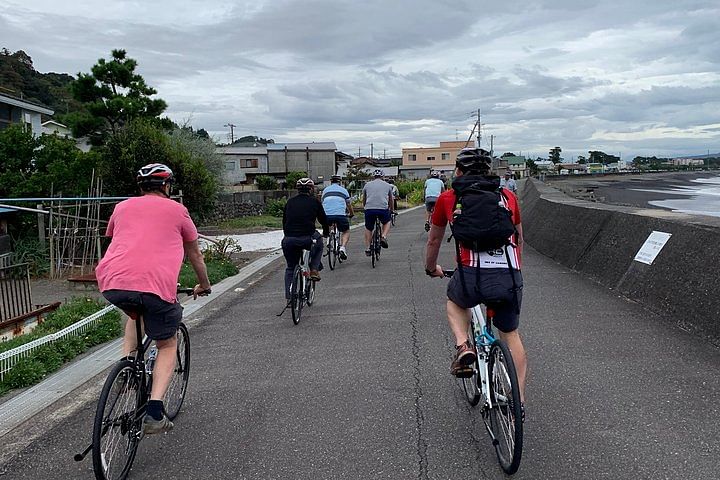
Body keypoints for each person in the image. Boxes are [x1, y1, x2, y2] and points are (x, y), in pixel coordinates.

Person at [96, 163, 212, 435]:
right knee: (167, 344)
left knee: (134, 314)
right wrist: (204, 285)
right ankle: (155, 412)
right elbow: (195, 255)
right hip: (156, 285)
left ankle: (125, 372)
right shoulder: (178, 210)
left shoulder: (122, 207)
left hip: (113, 281)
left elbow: (120, 239)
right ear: (166, 186)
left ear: (140, 187)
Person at [424, 148, 527, 413]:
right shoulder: (508, 197)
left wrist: (430, 268)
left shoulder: (449, 198)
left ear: (458, 171)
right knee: (510, 334)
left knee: (455, 301)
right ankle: (518, 404)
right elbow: (518, 239)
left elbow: (434, 239)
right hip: (508, 272)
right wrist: (516, 270)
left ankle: (463, 346)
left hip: (472, 274)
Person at [282, 178, 328, 298]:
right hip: (307, 238)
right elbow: (324, 221)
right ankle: (314, 269)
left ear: (297, 189)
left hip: (289, 240)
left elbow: (284, 222)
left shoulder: (289, 202)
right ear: (311, 189)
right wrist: (326, 233)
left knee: (291, 268)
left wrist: (288, 236)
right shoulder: (315, 202)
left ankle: (290, 297)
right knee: (319, 242)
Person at [362, 169, 394, 255]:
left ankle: (368, 248)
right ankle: (383, 236)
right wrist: (391, 210)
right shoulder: (388, 185)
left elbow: (364, 199)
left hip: (369, 209)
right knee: (387, 221)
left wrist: (365, 207)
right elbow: (391, 200)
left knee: (369, 228)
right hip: (382, 209)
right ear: (382, 176)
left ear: (373, 176)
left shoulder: (367, 185)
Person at [321, 175, 354, 260]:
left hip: (327, 215)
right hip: (340, 215)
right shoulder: (344, 190)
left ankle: (329, 238)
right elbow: (348, 204)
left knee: (328, 224)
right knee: (346, 231)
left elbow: (322, 203)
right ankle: (342, 248)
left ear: (331, 182)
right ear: (340, 182)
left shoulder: (325, 190)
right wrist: (351, 213)